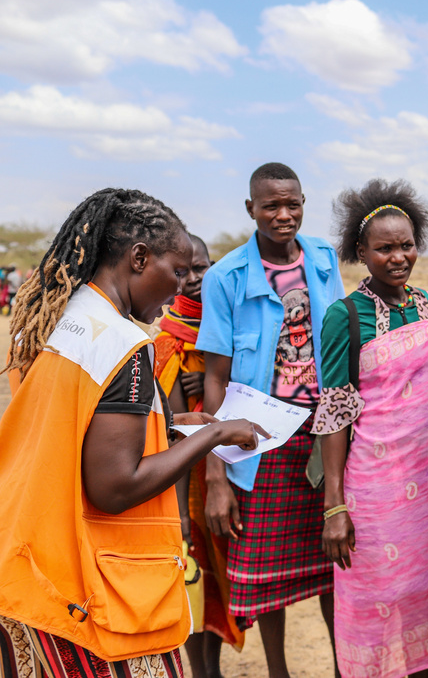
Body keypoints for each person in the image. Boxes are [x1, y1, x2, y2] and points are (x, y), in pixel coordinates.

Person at [0, 189, 263, 676]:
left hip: (25, 556)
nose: (183, 286)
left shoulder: (63, 316)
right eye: (178, 271)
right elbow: (114, 485)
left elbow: (79, 424)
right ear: (139, 258)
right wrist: (215, 434)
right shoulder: (125, 344)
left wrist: (176, 425)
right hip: (80, 585)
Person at [196, 163, 345, 677]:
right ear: (250, 209)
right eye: (270, 206)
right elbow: (214, 378)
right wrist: (216, 472)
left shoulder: (324, 259)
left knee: (335, 565)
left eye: (293, 204)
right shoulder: (226, 277)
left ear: (304, 202)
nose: (283, 216)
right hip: (258, 443)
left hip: (324, 434)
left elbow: (342, 349)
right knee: (269, 578)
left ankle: (343, 666)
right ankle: (279, 671)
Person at [315, 179, 428, 678]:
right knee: (376, 603)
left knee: (427, 602)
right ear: (361, 252)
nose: (398, 257)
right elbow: (333, 415)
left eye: (406, 246)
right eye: (385, 248)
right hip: (376, 496)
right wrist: (335, 505)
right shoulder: (344, 318)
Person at [154, 233, 245, 677]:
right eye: (182, 271)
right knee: (194, 575)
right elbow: (167, 429)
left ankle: (216, 666)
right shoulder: (167, 339)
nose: (192, 279)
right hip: (183, 481)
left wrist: (209, 378)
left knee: (219, 582)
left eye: (201, 268)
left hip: (226, 467)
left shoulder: (226, 323)